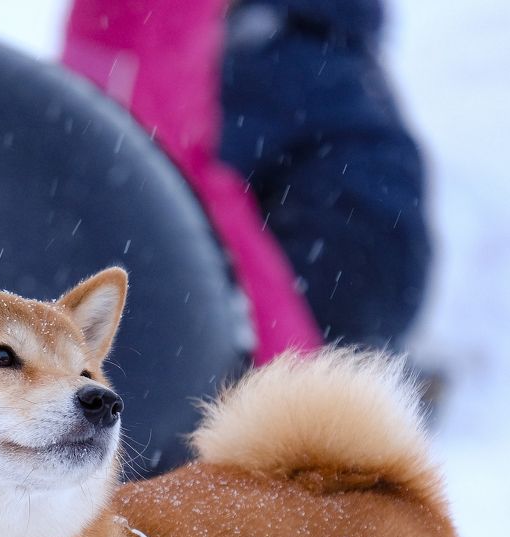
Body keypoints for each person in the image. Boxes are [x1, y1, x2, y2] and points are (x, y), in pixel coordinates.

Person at [62, 0, 431, 362]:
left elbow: (181, 169)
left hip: (337, 269)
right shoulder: (332, 51)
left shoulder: (272, 52)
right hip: (385, 264)